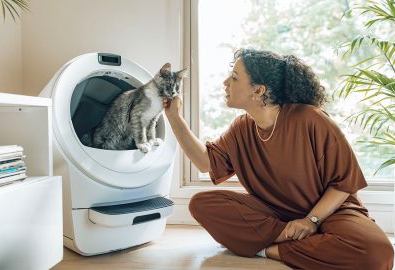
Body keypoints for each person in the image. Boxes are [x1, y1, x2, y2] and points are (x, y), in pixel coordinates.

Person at [162, 48, 394, 270]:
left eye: (234, 77)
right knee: (202, 204)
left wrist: (310, 221)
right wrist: (174, 116)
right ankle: (299, 243)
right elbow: (206, 163)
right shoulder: (241, 127)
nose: (225, 83)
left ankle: (269, 249)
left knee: (377, 255)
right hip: (275, 217)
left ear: (258, 90)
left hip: (331, 212)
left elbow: (343, 184)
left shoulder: (309, 119)